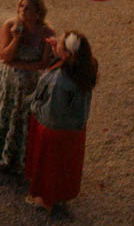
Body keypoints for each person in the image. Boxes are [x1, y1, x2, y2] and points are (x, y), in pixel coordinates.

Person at [0, 0, 57, 176]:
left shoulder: (47, 32)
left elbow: (44, 63)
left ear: (38, 13)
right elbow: (5, 56)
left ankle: (23, 160)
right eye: (21, 6)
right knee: (6, 116)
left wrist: (19, 65)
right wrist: (16, 38)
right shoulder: (9, 26)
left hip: (31, 84)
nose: (22, 10)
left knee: (25, 120)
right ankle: (1, 158)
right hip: (9, 84)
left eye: (27, 8)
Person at [27, 31, 98, 213]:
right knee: (65, 165)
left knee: (49, 166)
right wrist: (57, 51)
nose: (56, 40)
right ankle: (61, 196)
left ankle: (45, 200)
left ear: (67, 53)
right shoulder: (86, 68)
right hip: (74, 128)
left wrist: (33, 106)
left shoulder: (61, 79)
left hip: (54, 129)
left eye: (60, 42)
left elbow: (53, 112)